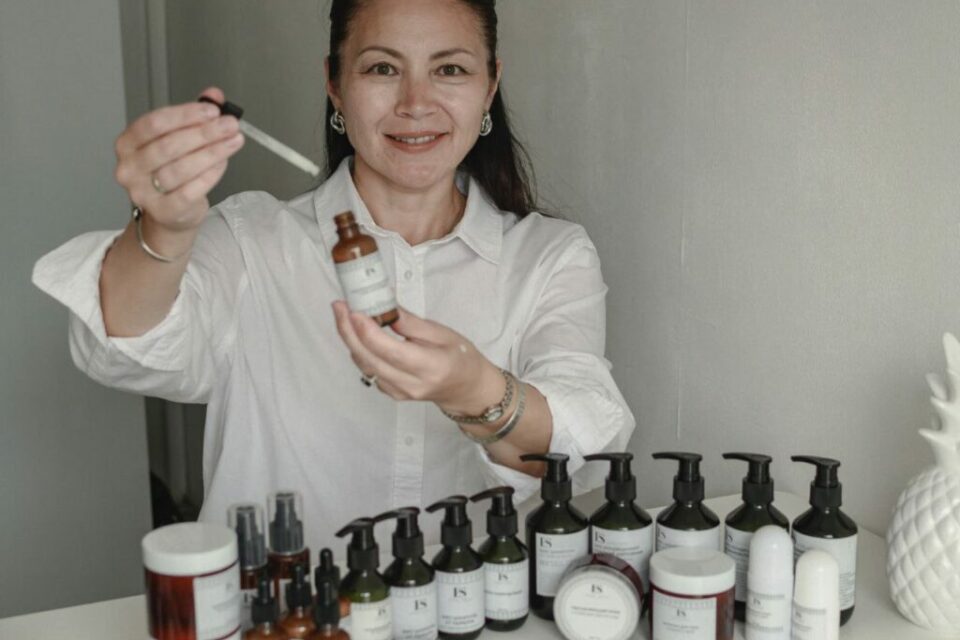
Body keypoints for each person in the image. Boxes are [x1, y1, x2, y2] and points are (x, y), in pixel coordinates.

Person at [33, 0, 634, 551]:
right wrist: (163, 229)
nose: (416, 102)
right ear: (335, 84)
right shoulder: (251, 239)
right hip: (277, 610)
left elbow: (577, 445)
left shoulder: (549, 256)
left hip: (468, 608)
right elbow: (125, 348)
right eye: (382, 68)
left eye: (449, 69)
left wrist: (472, 389)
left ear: (490, 85)